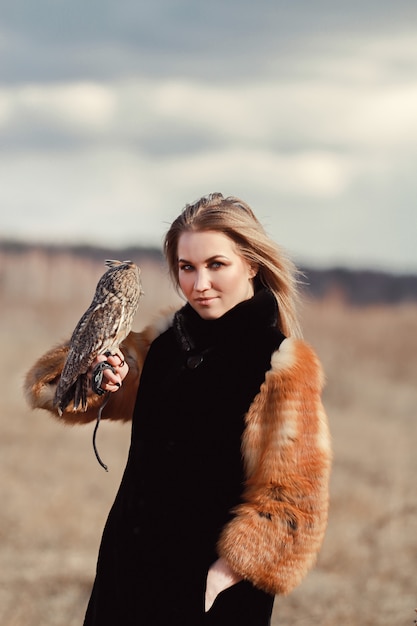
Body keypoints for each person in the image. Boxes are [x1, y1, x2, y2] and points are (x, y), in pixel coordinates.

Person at [25, 192, 331, 626]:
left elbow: (294, 502)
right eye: (187, 267)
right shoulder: (164, 343)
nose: (198, 283)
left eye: (216, 265)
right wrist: (98, 376)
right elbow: (54, 391)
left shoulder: (280, 366)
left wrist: (226, 575)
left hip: (211, 586)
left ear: (252, 264)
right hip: (127, 567)